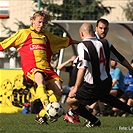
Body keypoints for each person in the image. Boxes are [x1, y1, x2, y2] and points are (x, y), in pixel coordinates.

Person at [0, 10, 79, 124]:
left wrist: (81, 42)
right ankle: (48, 107)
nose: (41, 25)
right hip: (31, 67)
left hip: (46, 68)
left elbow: (64, 41)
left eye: (44, 23)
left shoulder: (47, 36)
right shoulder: (23, 33)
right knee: (39, 78)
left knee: (59, 90)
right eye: (39, 22)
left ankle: (41, 116)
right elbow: (4, 44)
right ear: (33, 20)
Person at [66, 22, 133, 128]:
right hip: (106, 83)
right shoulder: (105, 43)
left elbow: (83, 67)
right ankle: (130, 109)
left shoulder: (83, 45)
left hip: (92, 85)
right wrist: (130, 68)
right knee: (106, 98)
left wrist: (76, 87)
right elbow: (120, 58)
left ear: (82, 34)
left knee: (71, 101)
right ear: (93, 31)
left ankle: (93, 120)